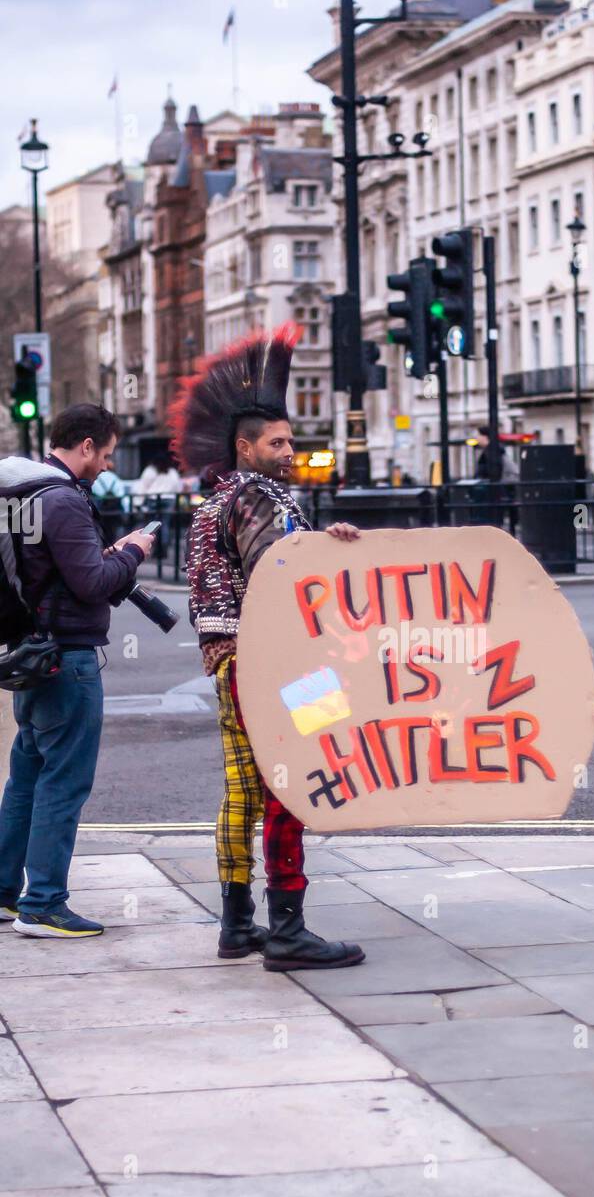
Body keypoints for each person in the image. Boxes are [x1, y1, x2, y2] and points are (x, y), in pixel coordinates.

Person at [176, 322, 365, 972]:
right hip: (277, 662)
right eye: (277, 442)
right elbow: (282, 578)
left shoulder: (212, 504)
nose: (290, 450)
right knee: (295, 780)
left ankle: (237, 923)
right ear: (245, 447)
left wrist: (321, 540)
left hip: (228, 663)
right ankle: (288, 927)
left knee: (242, 791)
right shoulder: (258, 496)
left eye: (291, 440)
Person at [0, 405, 155, 938]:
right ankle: (43, 903)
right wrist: (132, 552)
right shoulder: (64, 500)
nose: (107, 465)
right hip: (67, 658)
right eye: (107, 454)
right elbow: (91, 584)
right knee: (63, 782)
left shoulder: (25, 495)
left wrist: (104, 558)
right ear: (85, 445)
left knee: (26, 778)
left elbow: (61, 572)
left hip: (33, 651)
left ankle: (3, 891)